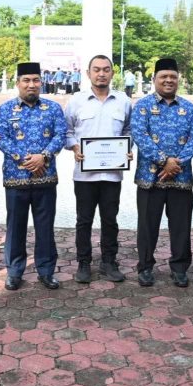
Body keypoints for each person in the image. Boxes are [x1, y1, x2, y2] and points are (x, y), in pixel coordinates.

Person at [0, 62, 67, 290]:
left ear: (41, 83)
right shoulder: (5, 110)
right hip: (16, 178)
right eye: (26, 80)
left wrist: (43, 157)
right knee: (16, 227)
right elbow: (0, 137)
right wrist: (26, 159)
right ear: (18, 83)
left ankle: (46, 271)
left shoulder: (53, 109)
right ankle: (15, 272)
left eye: (35, 80)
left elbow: (60, 135)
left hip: (45, 177)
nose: (31, 85)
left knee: (45, 227)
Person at [131, 58, 193, 287]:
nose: (168, 80)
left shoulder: (188, 107)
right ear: (154, 80)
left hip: (180, 179)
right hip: (150, 178)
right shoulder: (142, 106)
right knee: (147, 226)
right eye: (164, 77)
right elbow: (140, 136)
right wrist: (164, 161)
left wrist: (176, 163)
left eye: (173, 77)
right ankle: (145, 268)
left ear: (178, 79)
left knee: (181, 227)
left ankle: (180, 268)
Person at [64, 55, 133, 283]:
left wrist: (127, 149)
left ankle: (109, 262)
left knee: (110, 219)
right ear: (88, 73)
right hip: (84, 174)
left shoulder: (123, 101)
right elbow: (67, 131)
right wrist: (74, 147)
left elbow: (129, 131)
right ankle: (83, 263)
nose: (101, 73)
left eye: (106, 69)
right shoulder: (76, 101)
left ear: (113, 73)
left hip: (112, 174)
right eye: (96, 70)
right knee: (84, 220)